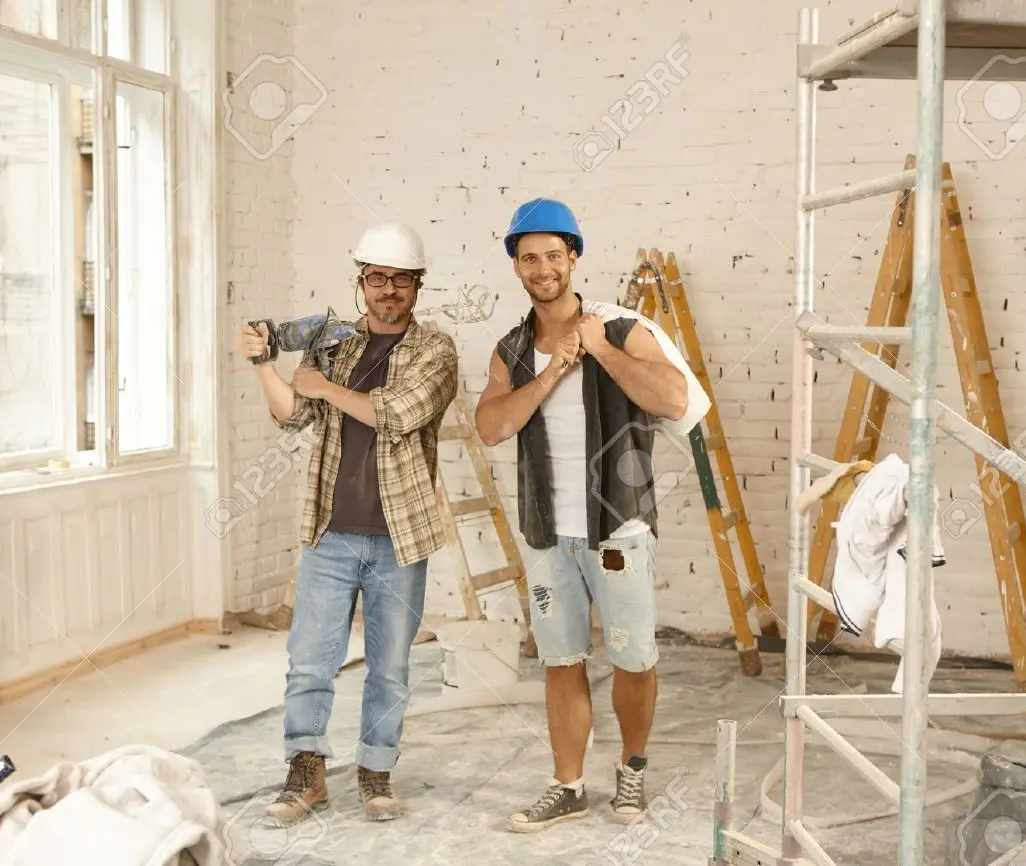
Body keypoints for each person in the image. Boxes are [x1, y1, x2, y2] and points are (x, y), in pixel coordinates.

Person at [474, 198, 710, 832]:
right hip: (549, 532)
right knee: (561, 659)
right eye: (530, 259)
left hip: (619, 528)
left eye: (554, 255)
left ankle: (631, 773)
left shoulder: (622, 328)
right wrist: (552, 373)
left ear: (573, 258)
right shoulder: (512, 348)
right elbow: (491, 426)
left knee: (633, 658)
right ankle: (568, 784)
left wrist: (599, 350)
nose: (543, 268)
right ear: (516, 267)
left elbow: (679, 399)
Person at [237, 222, 460, 824]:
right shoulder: (334, 343)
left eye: (401, 280)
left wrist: (321, 385)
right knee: (309, 661)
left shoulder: (435, 350)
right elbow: (292, 415)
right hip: (330, 533)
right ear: (362, 280)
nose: (389, 289)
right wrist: (265, 365)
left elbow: (397, 412)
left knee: (389, 665)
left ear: (418, 285)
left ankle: (375, 773)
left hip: (399, 537)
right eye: (378, 277)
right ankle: (306, 773)